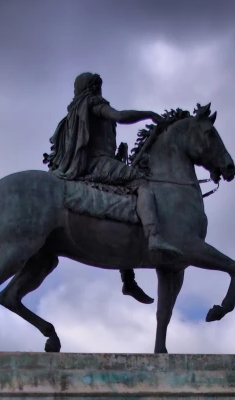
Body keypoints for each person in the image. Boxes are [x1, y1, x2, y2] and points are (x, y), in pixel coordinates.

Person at [44, 72, 183, 304]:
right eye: (98, 85)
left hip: (89, 164)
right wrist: (148, 114)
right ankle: (154, 237)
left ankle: (128, 280)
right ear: (93, 87)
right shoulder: (93, 103)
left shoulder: (72, 114)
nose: (100, 89)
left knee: (125, 205)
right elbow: (118, 116)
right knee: (142, 185)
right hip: (98, 163)